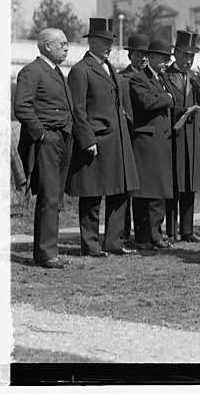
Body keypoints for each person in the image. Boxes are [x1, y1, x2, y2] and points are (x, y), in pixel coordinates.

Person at [66, 18, 139, 257]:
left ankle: (113, 242)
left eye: (111, 41)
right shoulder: (80, 70)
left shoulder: (110, 68)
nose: (109, 46)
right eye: (105, 41)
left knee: (120, 190)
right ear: (92, 42)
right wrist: (87, 140)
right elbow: (78, 110)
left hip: (117, 140)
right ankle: (90, 245)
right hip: (96, 141)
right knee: (92, 193)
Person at [14, 28, 74, 269]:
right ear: (47, 46)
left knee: (55, 197)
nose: (67, 47)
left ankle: (44, 252)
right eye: (62, 43)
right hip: (47, 140)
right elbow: (22, 107)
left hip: (63, 139)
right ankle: (48, 254)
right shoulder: (32, 71)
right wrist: (42, 135)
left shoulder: (57, 71)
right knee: (49, 197)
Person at [164, 30, 200, 243]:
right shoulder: (164, 76)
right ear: (175, 54)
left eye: (192, 57)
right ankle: (170, 230)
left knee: (189, 183)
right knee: (173, 184)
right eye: (184, 55)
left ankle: (188, 230)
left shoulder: (196, 79)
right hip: (171, 137)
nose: (188, 60)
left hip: (192, 138)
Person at [129, 39, 177, 251]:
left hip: (160, 141)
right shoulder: (139, 78)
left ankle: (150, 235)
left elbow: (165, 101)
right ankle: (149, 236)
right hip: (147, 143)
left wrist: (183, 110)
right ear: (153, 58)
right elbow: (145, 102)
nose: (167, 62)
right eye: (164, 59)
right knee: (149, 193)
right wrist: (167, 98)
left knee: (155, 192)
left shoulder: (162, 78)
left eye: (169, 59)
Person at [117, 33, 150, 244]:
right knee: (124, 187)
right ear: (130, 56)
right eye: (138, 55)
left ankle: (143, 231)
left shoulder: (153, 78)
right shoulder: (121, 78)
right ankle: (122, 230)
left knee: (143, 187)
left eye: (146, 54)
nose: (143, 59)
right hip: (127, 135)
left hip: (146, 138)